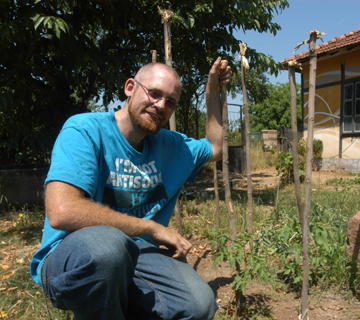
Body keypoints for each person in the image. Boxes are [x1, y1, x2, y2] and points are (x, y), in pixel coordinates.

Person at [30, 57, 232, 320]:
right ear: (130, 88)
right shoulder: (85, 130)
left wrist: (212, 92)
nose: (161, 105)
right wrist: (152, 228)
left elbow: (215, 147)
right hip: (71, 257)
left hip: (137, 254)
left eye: (170, 102)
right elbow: (62, 211)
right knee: (107, 248)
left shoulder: (172, 146)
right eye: (154, 93)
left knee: (198, 303)